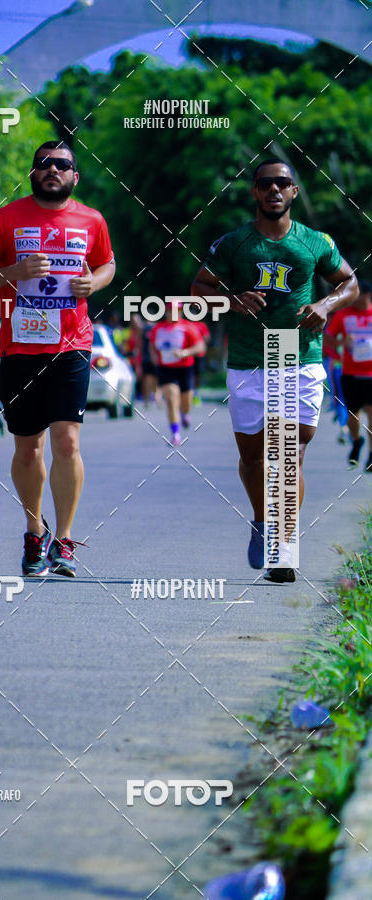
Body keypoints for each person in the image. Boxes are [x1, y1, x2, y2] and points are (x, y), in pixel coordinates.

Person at [191, 158, 357, 583]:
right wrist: (232, 301)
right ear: (254, 191)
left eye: (282, 183)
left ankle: (283, 548)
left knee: (289, 452)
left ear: (294, 191)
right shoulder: (234, 244)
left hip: (298, 355)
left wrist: (325, 304)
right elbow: (200, 289)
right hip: (250, 358)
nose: (274, 190)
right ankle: (263, 521)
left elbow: (349, 283)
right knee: (252, 457)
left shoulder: (314, 241)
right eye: (265, 183)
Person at [0, 140, 115, 577]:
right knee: (29, 449)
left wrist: (94, 283)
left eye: (62, 165)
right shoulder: (4, 219)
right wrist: (13, 272)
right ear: (33, 173)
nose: (53, 169)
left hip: (72, 345)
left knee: (67, 443)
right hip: (20, 347)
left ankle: (64, 541)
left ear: (75, 176)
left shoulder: (92, 219)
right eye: (44, 164)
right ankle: (35, 531)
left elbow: (107, 265)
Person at [325, 280, 372, 469]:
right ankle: (357, 440)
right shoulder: (343, 315)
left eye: (356, 295)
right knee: (353, 416)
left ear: (367, 295)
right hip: (350, 373)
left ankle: (371, 456)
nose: (352, 299)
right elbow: (327, 338)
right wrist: (341, 344)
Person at [149, 301, 205, 445]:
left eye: (177, 311)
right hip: (166, 368)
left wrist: (185, 352)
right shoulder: (158, 328)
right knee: (171, 398)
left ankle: (185, 413)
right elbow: (152, 345)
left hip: (185, 368)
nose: (174, 313)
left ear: (181, 312)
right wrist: (154, 356)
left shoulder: (188, 327)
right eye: (171, 310)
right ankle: (175, 433)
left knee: (186, 403)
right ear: (166, 312)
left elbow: (200, 346)